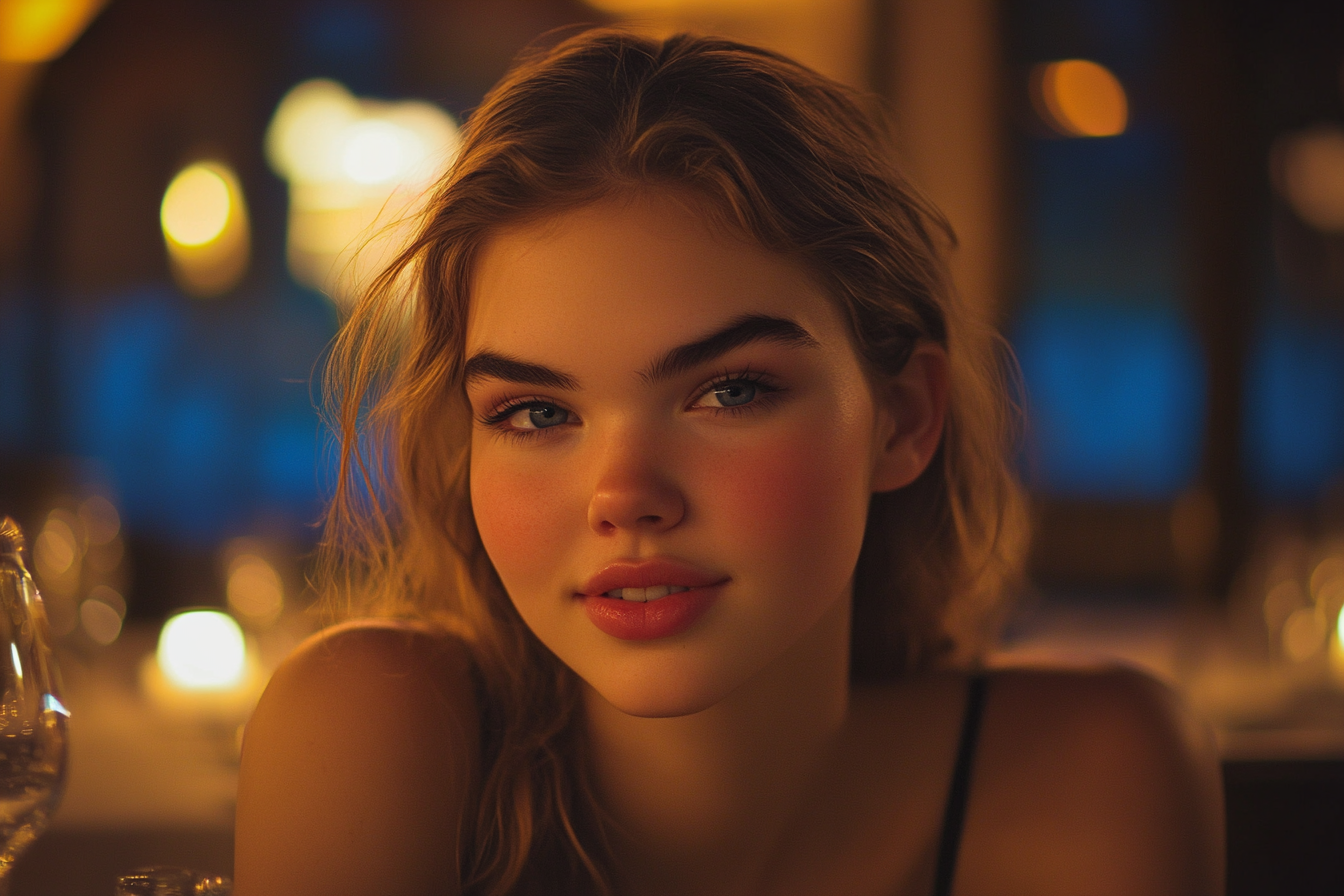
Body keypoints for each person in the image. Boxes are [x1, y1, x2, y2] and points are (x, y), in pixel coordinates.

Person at [232, 28, 1225, 896]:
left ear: (903, 418)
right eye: (537, 411)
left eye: (729, 390)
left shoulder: (1094, 773)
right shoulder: (371, 732)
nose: (624, 498)